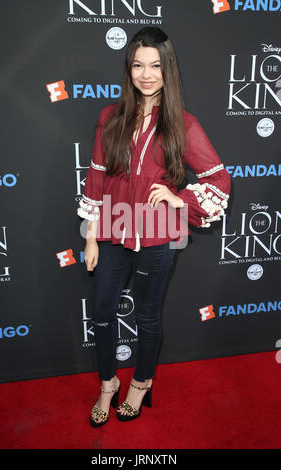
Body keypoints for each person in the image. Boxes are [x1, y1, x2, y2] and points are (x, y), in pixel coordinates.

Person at [77, 27, 231, 427]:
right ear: (128, 69)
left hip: (157, 234)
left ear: (168, 70)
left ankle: (141, 383)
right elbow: (95, 178)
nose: (146, 74)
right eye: (138, 65)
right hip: (111, 228)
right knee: (102, 313)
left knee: (147, 316)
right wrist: (91, 236)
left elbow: (218, 177)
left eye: (155, 65)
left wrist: (180, 199)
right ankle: (108, 383)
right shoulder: (109, 117)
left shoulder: (183, 122)